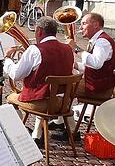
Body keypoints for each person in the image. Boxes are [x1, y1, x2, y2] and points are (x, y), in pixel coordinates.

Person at [4, 16, 76, 145]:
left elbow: (15, 75)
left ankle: (19, 134)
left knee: (10, 98)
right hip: (62, 103)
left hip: (41, 101)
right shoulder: (68, 49)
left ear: (39, 31)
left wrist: (8, 58)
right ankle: (38, 135)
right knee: (44, 92)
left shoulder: (34, 50)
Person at [65, 12, 115, 140]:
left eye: (84, 23)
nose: (80, 28)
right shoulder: (100, 40)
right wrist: (75, 65)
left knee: (63, 87)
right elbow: (97, 66)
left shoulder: (102, 42)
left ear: (96, 24)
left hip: (100, 88)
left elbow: (96, 63)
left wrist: (76, 49)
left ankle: (69, 129)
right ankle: (62, 124)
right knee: (65, 86)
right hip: (101, 83)